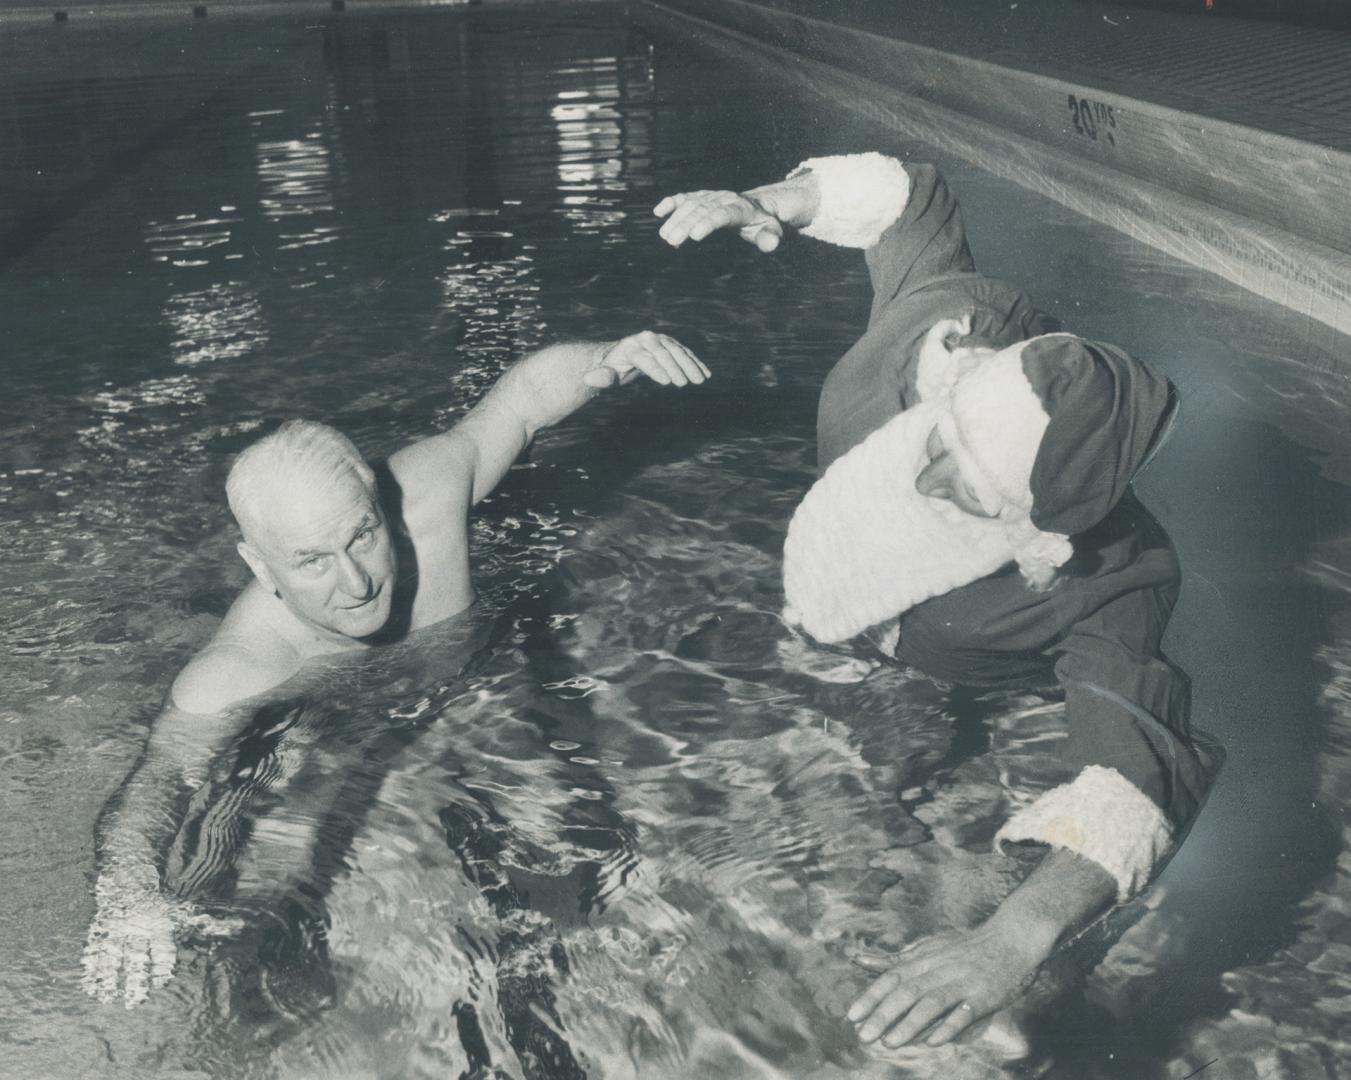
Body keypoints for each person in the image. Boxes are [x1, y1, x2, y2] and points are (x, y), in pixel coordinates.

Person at [654, 153, 1220, 1049]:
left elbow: (1140, 772)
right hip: (836, 625)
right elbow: (909, 197)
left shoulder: (1116, 578)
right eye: (944, 438)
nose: (925, 473)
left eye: (968, 488)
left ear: (1042, 535)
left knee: (979, 920)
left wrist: (1008, 943)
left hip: (975, 682)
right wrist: (761, 200)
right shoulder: (943, 334)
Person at [82, 331, 711, 1008]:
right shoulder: (245, 664)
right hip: (323, 718)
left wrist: (604, 360)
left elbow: (522, 401)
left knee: (584, 882)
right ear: (263, 568)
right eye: (311, 562)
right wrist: (128, 895)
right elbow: (163, 778)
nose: (355, 584)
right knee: (256, 908)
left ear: (382, 506)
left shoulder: (429, 494)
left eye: (361, 536)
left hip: (476, 676)